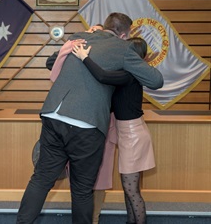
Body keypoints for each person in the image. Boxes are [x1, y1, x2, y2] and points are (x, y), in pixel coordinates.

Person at [16, 12, 163, 224]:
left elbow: (52, 61)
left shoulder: (79, 36)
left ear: (104, 26)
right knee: (83, 190)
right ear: (124, 35)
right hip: (87, 124)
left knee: (40, 180)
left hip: (53, 114)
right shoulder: (123, 48)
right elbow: (156, 80)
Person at [72, 37, 155, 224]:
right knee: (130, 189)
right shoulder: (128, 73)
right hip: (131, 133)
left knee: (131, 190)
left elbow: (102, 76)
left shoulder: (128, 75)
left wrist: (85, 58)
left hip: (133, 135)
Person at [46, 24, 117, 224]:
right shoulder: (78, 47)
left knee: (100, 177)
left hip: (103, 121)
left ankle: (94, 219)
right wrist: (75, 51)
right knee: (79, 179)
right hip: (78, 120)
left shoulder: (115, 56)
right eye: (94, 32)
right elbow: (50, 61)